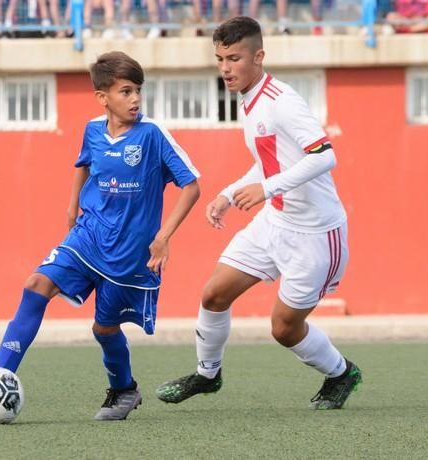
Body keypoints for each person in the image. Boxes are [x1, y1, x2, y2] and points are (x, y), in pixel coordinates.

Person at [0, 51, 201, 421]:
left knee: (104, 327)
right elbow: (83, 166)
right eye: (126, 92)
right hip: (88, 235)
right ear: (103, 97)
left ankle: (124, 389)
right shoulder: (93, 130)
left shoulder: (152, 135)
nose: (135, 99)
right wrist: (71, 207)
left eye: (137, 91)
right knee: (36, 285)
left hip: (128, 253)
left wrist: (163, 236)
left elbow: (191, 186)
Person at [155, 16, 362, 410]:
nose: (225, 68)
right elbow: (270, 161)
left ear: (259, 56)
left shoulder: (282, 101)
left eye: (233, 58)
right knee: (214, 294)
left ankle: (341, 372)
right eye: (219, 59)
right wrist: (229, 194)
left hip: (315, 234)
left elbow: (324, 156)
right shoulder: (248, 101)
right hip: (275, 223)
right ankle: (207, 375)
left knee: (284, 329)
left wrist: (266, 189)